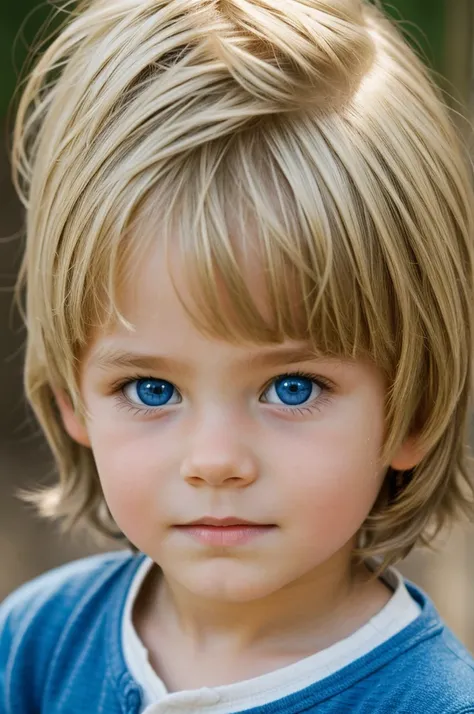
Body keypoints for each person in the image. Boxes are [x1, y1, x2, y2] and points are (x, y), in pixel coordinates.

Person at [2, 0, 474, 711]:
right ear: (74, 396)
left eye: (290, 387)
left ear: (416, 407)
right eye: (151, 389)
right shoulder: (35, 644)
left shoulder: (428, 703)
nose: (215, 460)